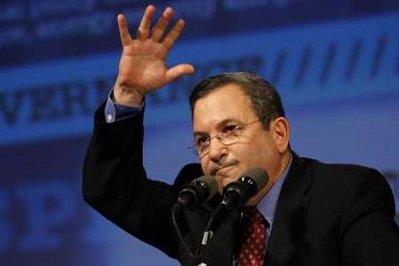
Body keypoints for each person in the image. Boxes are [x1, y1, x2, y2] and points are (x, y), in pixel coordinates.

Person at [82, 5, 399, 266]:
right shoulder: (199, 207)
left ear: (278, 133)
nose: (214, 151)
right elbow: (110, 190)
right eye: (203, 140)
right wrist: (128, 93)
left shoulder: (345, 195)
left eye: (230, 130)